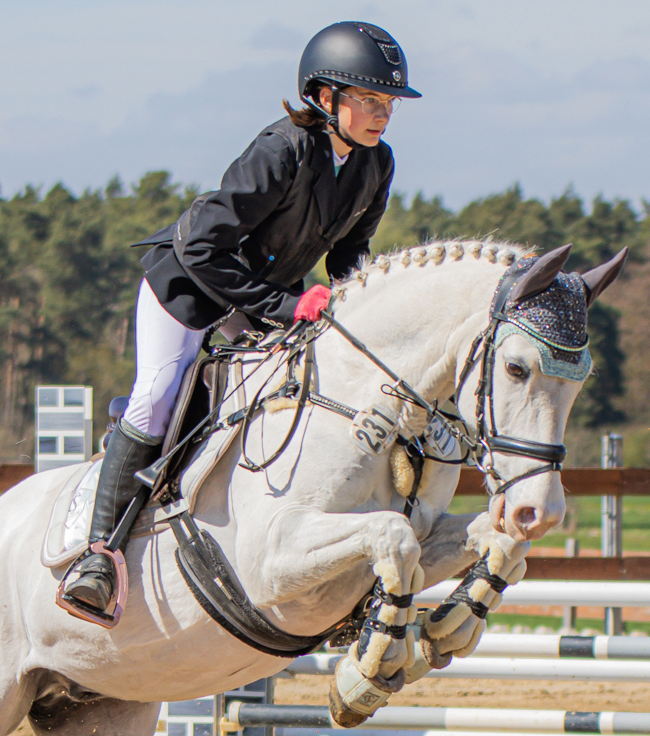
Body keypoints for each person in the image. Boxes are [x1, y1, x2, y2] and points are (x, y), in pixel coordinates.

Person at [63, 21, 421, 616]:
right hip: (189, 285)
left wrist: (370, 306)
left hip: (263, 295)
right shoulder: (280, 150)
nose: (382, 113)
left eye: (388, 103)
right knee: (157, 396)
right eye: (370, 100)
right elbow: (203, 247)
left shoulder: (375, 165)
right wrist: (286, 306)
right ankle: (97, 553)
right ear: (325, 98)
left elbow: (349, 258)